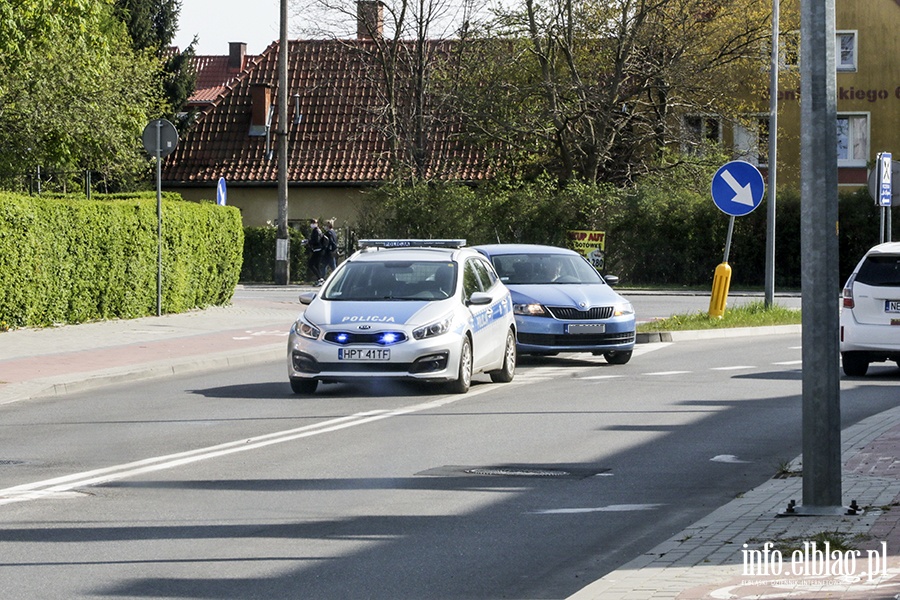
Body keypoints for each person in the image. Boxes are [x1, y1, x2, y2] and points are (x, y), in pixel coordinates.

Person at [306, 218, 325, 285]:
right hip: (319, 250)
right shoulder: (318, 230)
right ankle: (320, 279)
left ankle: (320, 278)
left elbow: (316, 241)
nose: (312, 224)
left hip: (317, 250)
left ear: (316, 224)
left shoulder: (316, 231)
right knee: (317, 265)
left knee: (311, 264)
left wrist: (309, 241)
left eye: (313, 223)